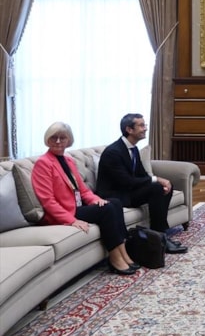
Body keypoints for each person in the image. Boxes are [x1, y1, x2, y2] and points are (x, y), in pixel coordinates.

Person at [32, 122, 139, 276]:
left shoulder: (68, 161)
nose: (58, 141)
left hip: (76, 206)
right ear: (47, 139)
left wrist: (95, 200)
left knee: (114, 203)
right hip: (63, 212)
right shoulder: (43, 163)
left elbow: (82, 190)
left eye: (62, 138)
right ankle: (115, 258)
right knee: (107, 210)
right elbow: (47, 201)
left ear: (69, 140)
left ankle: (123, 253)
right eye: (54, 137)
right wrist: (71, 220)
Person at [96, 113, 187, 254]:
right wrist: (156, 179)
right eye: (141, 125)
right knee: (157, 187)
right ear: (129, 130)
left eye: (145, 125)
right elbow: (126, 181)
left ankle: (159, 234)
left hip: (128, 191)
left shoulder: (133, 148)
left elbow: (141, 175)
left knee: (164, 187)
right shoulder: (113, 152)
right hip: (116, 196)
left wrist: (159, 180)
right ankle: (160, 237)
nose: (145, 128)